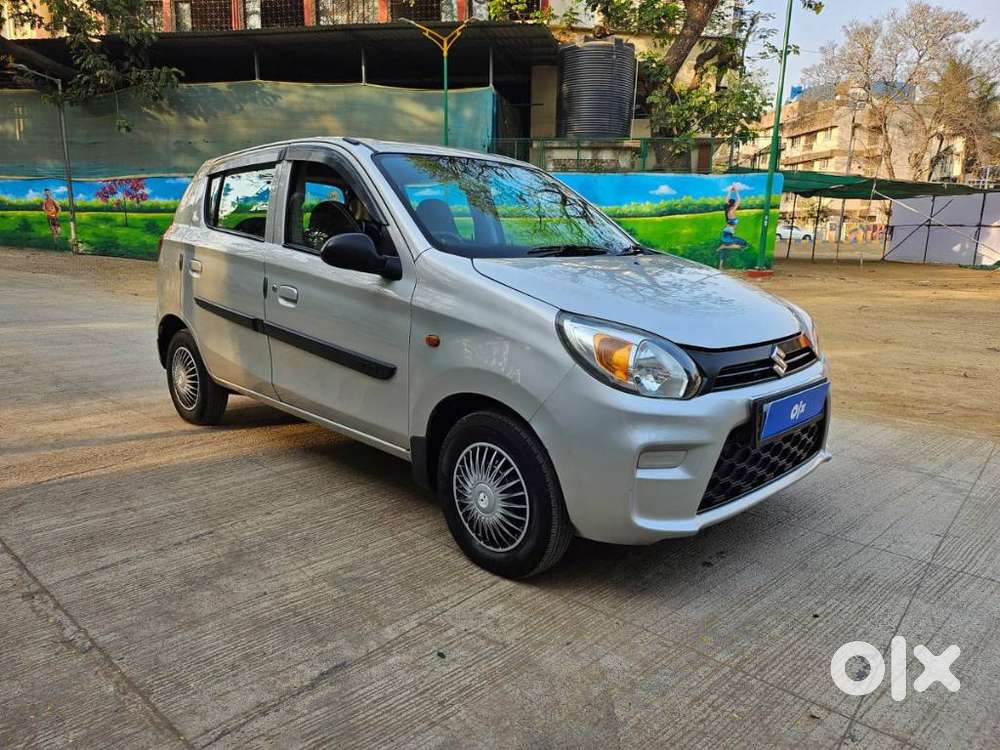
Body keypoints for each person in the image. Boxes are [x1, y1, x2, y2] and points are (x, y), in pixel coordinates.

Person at [718, 184, 750, 268]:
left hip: (727, 231)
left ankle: (720, 266)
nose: (736, 205)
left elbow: (726, 200)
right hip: (728, 232)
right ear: (732, 205)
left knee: (724, 249)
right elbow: (739, 200)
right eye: (734, 204)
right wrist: (735, 191)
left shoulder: (728, 211)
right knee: (744, 245)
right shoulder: (731, 211)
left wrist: (729, 191)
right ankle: (724, 246)